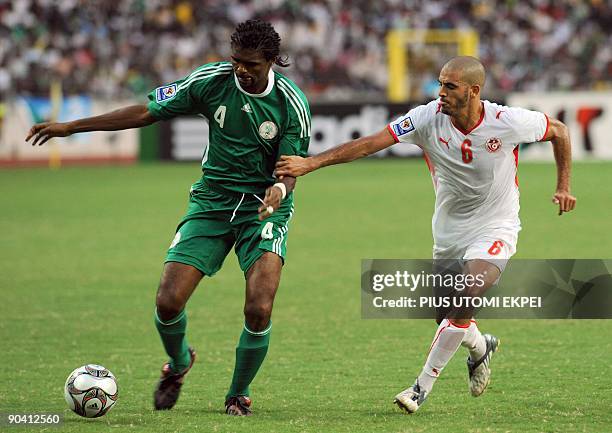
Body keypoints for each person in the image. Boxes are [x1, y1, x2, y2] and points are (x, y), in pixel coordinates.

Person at [26, 19, 311, 416]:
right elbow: (148, 111)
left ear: (271, 61)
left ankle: (238, 394)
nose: (241, 70)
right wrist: (73, 127)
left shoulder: (291, 105)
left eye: (251, 64)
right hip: (211, 201)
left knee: (259, 306)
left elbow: (289, 169)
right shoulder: (210, 81)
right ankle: (179, 363)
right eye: (236, 62)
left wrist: (279, 191)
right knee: (168, 301)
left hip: (261, 209)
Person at [275, 56, 576, 413]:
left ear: (474, 90)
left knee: (467, 295)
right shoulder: (426, 117)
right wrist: (312, 163)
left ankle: (420, 387)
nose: (441, 92)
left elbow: (559, 130)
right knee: (448, 315)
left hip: (497, 224)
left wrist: (563, 186)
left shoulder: (506, 121)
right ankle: (481, 348)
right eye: (440, 83)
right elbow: (371, 143)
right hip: (449, 230)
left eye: (450, 86)